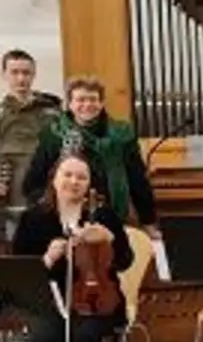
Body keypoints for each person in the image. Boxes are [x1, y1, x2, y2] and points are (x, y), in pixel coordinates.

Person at [10, 153, 133, 342]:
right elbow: (20, 270)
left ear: (89, 184)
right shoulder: (34, 218)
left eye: (81, 177)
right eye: (67, 175)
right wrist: (47, 258)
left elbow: (125, 260)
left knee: (86, 337)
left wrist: (109, 239)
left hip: (97, 299)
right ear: (54, 179)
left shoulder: (103, 216)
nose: (74, 181)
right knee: (44, 338)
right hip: (49, 299)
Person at [22, 76, 157, 234]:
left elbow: (137, 179)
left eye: (93, 99)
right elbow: (33, 182)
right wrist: (47, 214)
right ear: (70, 104)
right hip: (67, 218)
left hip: (112, 216)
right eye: (81, 100)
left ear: (101, 103)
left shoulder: (122, 135)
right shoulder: (54, 134)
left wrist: (148, 220)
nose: (87, 105)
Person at [0, 49, 61, 243]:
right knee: (12, 252)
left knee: (50, 250)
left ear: (34, 74)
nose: (21, 78)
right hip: (9, 197)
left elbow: (65, 156)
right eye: (14, 72)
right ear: (3, 74)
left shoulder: (54, 114)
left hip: (46, 197)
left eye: (26, 73)